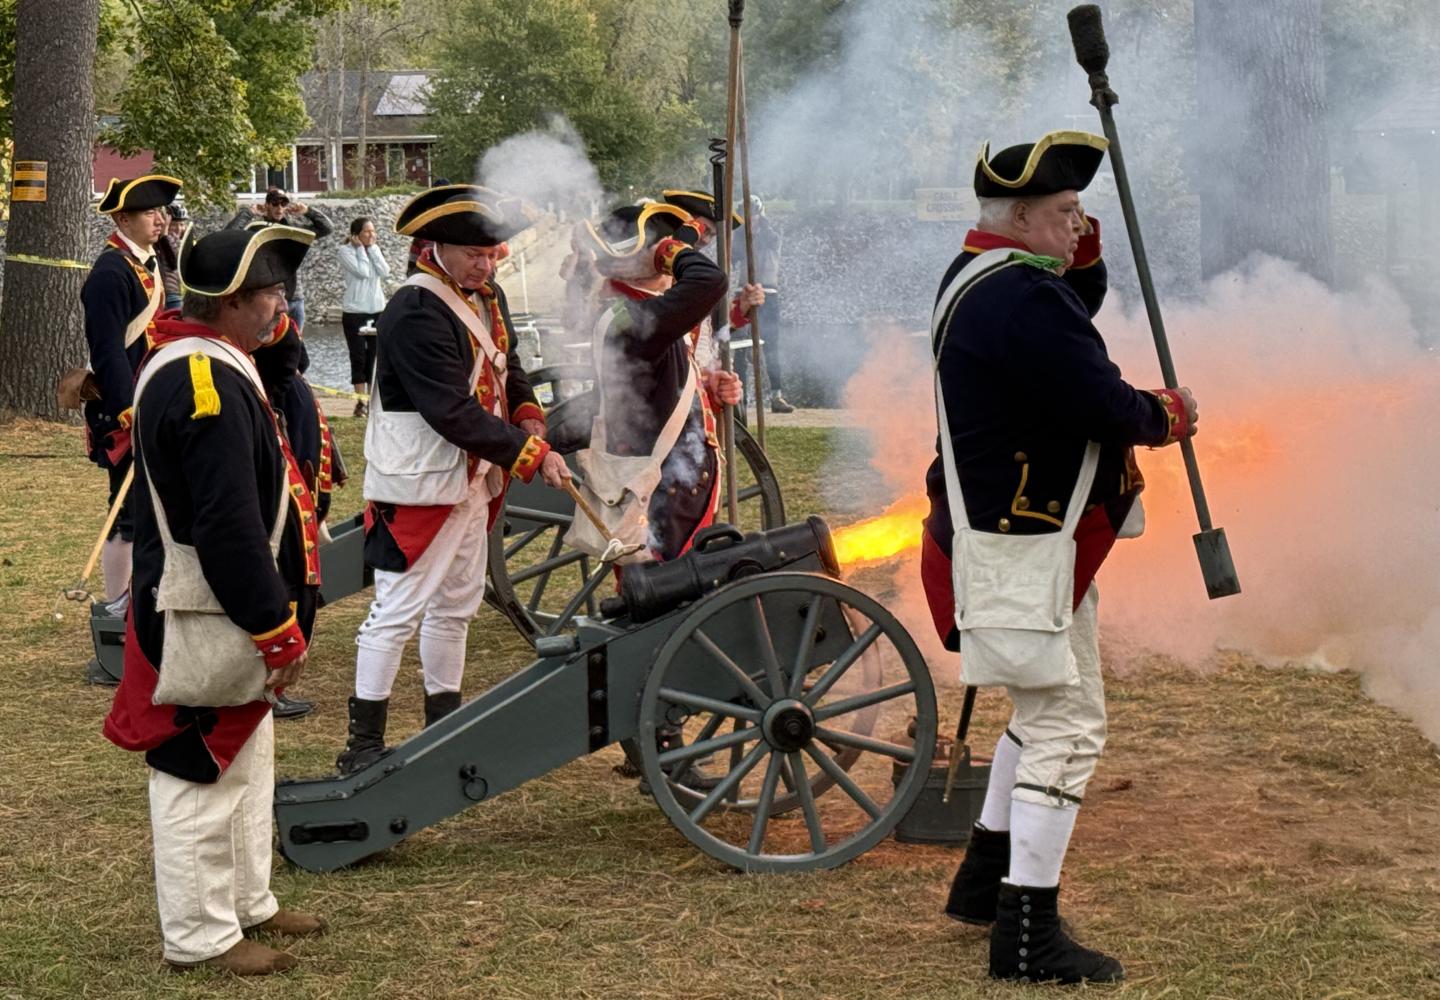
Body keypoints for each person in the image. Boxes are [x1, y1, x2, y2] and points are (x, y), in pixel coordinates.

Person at [921, 130, 1198, 985]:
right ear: (1019, 217)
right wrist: (1167, 414)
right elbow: (1100, 400)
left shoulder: (993, 277)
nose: (1077, 223)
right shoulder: (1020, 300)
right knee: (1067, 727)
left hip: (1025, 533)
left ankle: (980, 882)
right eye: (1064, 211)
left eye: (1079, 210)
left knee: (1040, 710)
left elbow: (1069, 319)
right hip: (1027, 541)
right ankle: (1027, 933)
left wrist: (1082, 253)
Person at [102, 223, 328, 975]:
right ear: (231, 300)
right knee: (195, 769)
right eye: (269, 293)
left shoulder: (218, 361)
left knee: (248, 755)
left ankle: (248, 903)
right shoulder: (203, 385)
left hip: (226, 602)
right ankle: (199, 936)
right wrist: (273, 625)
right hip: (203, 606)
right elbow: (227, 525)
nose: (280, 306)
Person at [337, 184, 569, 774]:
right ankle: (363, 745)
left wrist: (530, 419)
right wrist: (531, 454)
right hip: (419, 480)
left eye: (492, 253)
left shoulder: (486, 297)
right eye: (474, 253)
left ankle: (446, 727)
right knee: (395, 610)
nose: (485, 263)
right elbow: (450, 410)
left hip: (474, 477)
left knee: (456, 606)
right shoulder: (414, 310)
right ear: (435, 245)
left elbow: (507, 366)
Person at [569, 199, 747, 564]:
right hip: (665, 487)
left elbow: (671, 382)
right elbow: (709, 281)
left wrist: (711, 386)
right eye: (660, 247)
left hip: (677, 478)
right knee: (668, 589)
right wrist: (671, 250)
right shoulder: (633, 316)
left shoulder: (641, 309)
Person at [80, 174, 182, 629]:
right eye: (149, 212)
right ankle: (118, 605)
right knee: (125, 513)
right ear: (122, 218)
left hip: (151, 397)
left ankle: (144, 597)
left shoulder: (146, 261)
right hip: (127, 407)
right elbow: (108, 354)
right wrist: (129, 413)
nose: (160, 219)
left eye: (162, 211)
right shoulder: (110, 273)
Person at [225, 186, 332, 330]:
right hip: (267, 299)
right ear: (267, 205)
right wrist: (249, 212)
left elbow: (327, 228)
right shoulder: (256, 230)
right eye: (275, 203)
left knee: (296, 346)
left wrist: (307, 211)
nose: (279, 208)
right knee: (267, 343)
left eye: (283, 203)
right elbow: (229, 234)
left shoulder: (295, 230)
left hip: (294, 298)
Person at [732, 195, 792, 413]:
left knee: (771, 345)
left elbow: (766, 241)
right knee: (738, 345)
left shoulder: (770, 234)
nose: (750, 218)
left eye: (753, 214)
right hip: (743, 293)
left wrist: (755, 228)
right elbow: (733, 257)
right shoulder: (738, 236)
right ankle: (741, 399)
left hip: (768, 292)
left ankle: (777, 395)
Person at [338, 215, 389, 416]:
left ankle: (373, 401)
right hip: (354, 312)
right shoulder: (345, 251)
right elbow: (363, 272)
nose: (371, 235)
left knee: (374, 357)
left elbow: (384, 271)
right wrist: (360, 249)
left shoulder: (374, 250)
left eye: (373, 231)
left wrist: (373, 249)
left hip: (377, 310)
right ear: (356, 235)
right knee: (358, 356)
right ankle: (360, 402)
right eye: (367, 231)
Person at [155, 204, 187, 311]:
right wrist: (164, 234)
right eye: (174, 224)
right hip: (171, 294)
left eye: (182, 224)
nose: (178, 229)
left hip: (179, 293)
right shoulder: (165, 240)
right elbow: (174, 263)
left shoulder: (177, 241)